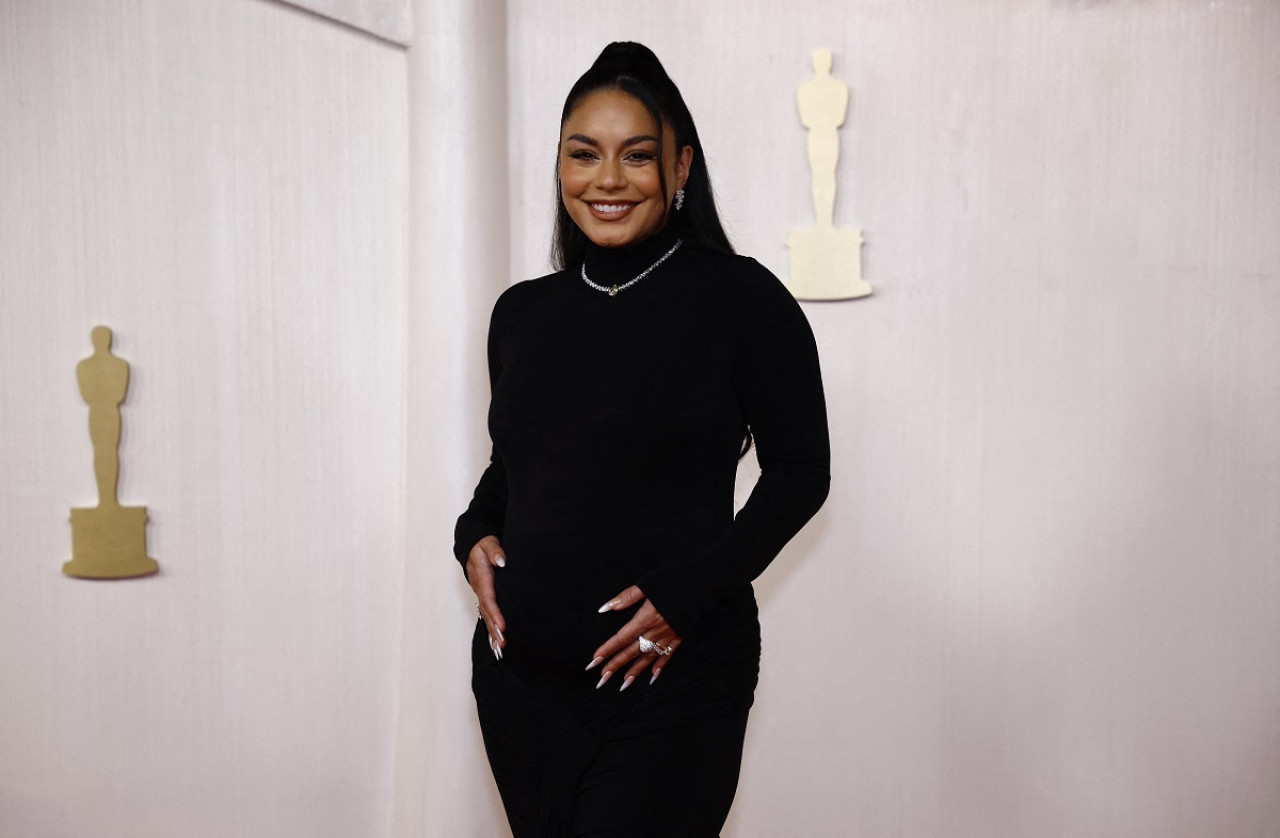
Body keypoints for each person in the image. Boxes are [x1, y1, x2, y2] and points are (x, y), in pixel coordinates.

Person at [454, 41, 830, 837]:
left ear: (681, 167)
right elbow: (517, 467)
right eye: (584, 155)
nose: (608, 180)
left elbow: (801, 475)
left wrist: (686, 597)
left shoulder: (742, 301)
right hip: (521, 691)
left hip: (674, 685)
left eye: (637, 156)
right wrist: (473, 532)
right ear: (559, 168)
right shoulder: (522, 314)